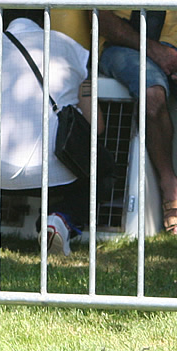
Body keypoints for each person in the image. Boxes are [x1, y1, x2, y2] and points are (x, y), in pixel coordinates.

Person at [0, 9, 101, 254]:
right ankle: (62, 218)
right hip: (59, 174)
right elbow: (97, 125)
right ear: (45, 14)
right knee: (101, 162)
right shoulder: (72, 48)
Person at [99, 10, 177, 235]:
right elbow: (102, 20)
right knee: (152, 92)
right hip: (123, 48)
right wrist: (156, 51)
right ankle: (168, 184)